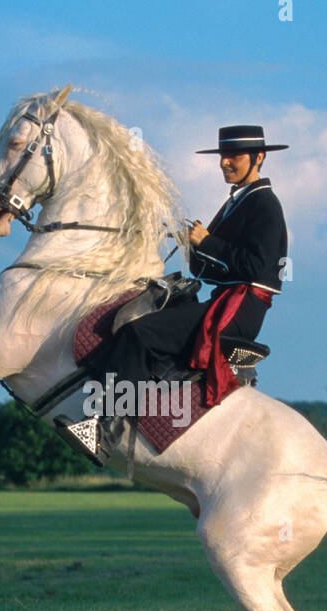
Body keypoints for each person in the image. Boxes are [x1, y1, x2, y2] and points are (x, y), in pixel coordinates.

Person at [65, 124, 289, 462]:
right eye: (223, 156)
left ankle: (104, 427)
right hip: (226, 300)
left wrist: (207, 242)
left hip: (239, 311)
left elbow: (258, 267)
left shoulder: (265, 204)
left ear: (259, 157)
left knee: (139, 333)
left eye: (234, 156)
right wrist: (193, 247)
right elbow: (208, 269)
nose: (225, 163)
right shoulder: (237, 202)